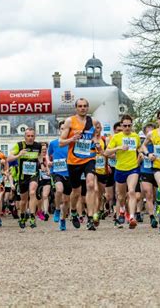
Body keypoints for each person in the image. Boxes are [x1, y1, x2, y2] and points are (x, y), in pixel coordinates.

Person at [60, 98, 100, 230]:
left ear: (88, 107)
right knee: (76, 192)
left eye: (85, 106)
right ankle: (73, 211)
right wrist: (72, 138)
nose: (82, 108)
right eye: (80, 106)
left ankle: (89, 217)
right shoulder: (70, 121)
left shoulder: (92, 121)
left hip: (89, 158)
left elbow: (94, 137)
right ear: (76, 108)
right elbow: (61, 142)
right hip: (74, 160)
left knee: (90, 184)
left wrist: (96, 142)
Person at [105, 114, 141, 229]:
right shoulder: (116, 137)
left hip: (133, 168)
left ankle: (131, 217)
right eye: (125, 125)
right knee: (120, 196)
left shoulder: (135, 136)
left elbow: (139, 148)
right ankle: (121, 210)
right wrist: (119, 148)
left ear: (132, 125)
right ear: (121, 125)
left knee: (131, 191)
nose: (127, 128)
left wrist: (141, 154)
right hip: (120, 168)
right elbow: (106, 152)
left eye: (129, 125)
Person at [8, 128, 42, 229]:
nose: (30, 138)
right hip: (22, 176)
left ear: (34, 137)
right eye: (28, 136)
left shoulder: (38, 146)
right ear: (25, 137)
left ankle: (32, 217)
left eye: (32, 136)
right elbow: (8, 159)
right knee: (23, 200)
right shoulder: (19, 145)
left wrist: (41, 164)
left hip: (33, 174)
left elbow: (39, 157)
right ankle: (22, 215)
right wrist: (19, 155)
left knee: (32, 193)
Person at [48, 120, 72, 231]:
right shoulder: (53, 143)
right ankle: (57, 209)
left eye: (66, 129)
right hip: (56, 171)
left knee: (67, 200)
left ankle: (63, 220)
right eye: (62, 129)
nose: (64, 131)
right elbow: (48, 156)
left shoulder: (72, 143)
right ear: (59, 130)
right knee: (59, 190)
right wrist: (48, 163)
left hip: (69, 173)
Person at [138, 123, 158, 228]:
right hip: (145, 171)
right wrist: (140, 158)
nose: (150, 133)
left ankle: (159, 211)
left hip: (157, 171)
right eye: (148, 131)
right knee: (148, 194)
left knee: (156, 195)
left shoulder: (158, 143)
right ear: (145, 133)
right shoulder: (141, 146)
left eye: (152, 131)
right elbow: (137, 162)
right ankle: (152, 217)